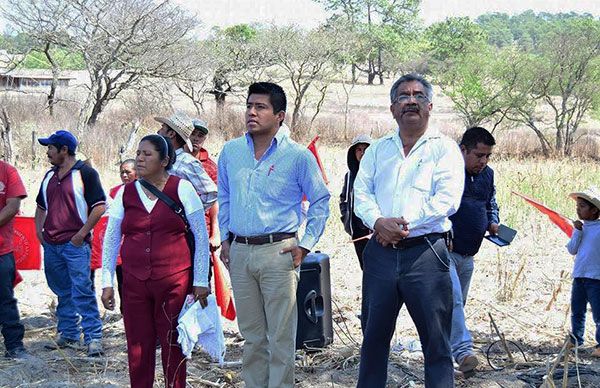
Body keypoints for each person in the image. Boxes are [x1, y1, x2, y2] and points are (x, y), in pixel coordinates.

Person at [353, 73, 464, 387]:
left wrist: (401, 226)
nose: (410, 101)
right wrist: (378, 223)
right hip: (380, 254)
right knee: (373, 339)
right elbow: (361, 193)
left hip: (427, 254)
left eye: (417, 95)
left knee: (436, 343)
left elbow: (447, 199)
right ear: (392, 108)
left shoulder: (444, 150)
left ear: (429, 106)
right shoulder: (377, 150)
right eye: (403, 96)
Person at [218, 82, 330, 387]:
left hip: (279, 252)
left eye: (261, 107)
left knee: (281, 336)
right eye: (249, 106)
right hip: (240, 252)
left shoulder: (297, 157)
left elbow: (320, 200)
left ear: (279, 115)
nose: (252, 113)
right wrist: (225, 239)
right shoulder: (230, 152)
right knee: (252, 336)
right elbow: (224, 197)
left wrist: (305, 246)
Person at [100, 134, 210, 388]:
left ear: (164, 161)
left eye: (147, 154)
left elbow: (200, 237)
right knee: (138, 345)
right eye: (138, 153)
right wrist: (107, 281)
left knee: (173, 342)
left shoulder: (181, 188)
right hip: (134, 282)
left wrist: (201, 279)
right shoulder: (125, 194)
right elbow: (111, 239)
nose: (139, 158)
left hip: (175, 282)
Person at [34, 130, 105, 357]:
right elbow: (40, 206)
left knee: (82, 290)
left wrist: (81, 234)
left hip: (75, 245)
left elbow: (100, 206)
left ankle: (94, 337)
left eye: (51, 148)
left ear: (64, 150)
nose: (48, 153)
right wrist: (39, 233)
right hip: (52, 245)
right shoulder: (49, 176)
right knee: (62, 291)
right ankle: (68, 333)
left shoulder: (86, 173)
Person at [448, 127, 499, 376]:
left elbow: (490, 202)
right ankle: (463, 352)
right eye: (479, 155)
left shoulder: (487, 175)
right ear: (463, 150)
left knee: (456, 305)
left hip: (469, 254)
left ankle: (444, 356)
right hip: (443, 251)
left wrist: (493, 220)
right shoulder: (448, 173)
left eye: (488, 156)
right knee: (454, 301)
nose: (484, 161)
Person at [155, 113, 217, 210]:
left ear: (171, 134)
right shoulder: (160, 159)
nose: (158, 132)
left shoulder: (187, 162)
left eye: (162, 128)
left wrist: (188, 213)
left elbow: (211, 192)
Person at [0, 160, 29, 359]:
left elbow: (13, 205)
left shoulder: (7, 171)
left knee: (5, 300)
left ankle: (14, 346)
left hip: (1, 250)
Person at [566, 187, 600, 356]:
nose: (578, 209)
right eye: (577, 206)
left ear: (594, 210)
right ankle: (575, 340)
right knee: (577, 310)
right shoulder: (580, 228)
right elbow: (572, 250)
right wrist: (577, 232)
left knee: (598, 313)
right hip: (579, 276)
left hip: (596, 278)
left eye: (582, 206)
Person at [106, 159, 137, 312]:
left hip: (135, 245)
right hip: (119, 246)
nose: (124, 175)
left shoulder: (143, 190)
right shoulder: (114, 192)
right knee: (122, 281)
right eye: (122, 172)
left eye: (128, 172)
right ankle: (125, 311)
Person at [339, 134, 372, 269]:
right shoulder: (350, 175)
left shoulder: (378, 173)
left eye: (366, 149)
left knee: (377, 270)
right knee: (364, 267)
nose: (362, 153)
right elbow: (343, 198)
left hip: (375, 230)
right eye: (359, 149)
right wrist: (346, 219)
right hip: (358, 230)